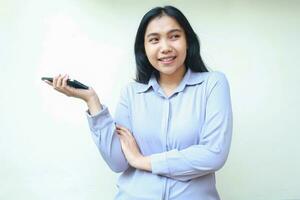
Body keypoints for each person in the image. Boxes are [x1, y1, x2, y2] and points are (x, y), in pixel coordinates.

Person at [44, 5, 233, 200]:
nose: (165, 47)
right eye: (154, 40)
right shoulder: (131, 93)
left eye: (174, 36)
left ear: (188, 41)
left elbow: (213, 154)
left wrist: (141, 161)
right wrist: (92, 101)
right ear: (144, 48)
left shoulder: (213, 84)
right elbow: (118, 162)